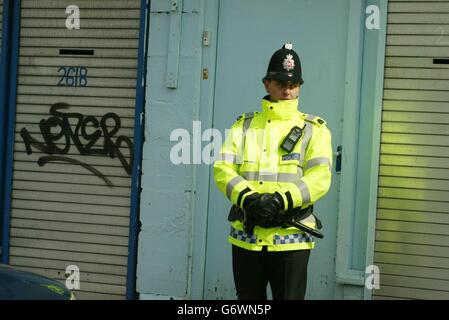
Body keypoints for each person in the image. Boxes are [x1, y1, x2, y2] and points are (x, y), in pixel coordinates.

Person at [213, 43, 333, 300]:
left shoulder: (315, 129)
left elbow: (320, 177)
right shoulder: (243, 126)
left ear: (299, 86)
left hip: (292, 238)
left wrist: (281, 200)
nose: (287, 91)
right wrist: (249, 199)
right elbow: (223, 168)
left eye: (293, 85)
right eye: (280, 84)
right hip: (248, 236)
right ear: (267, 84)